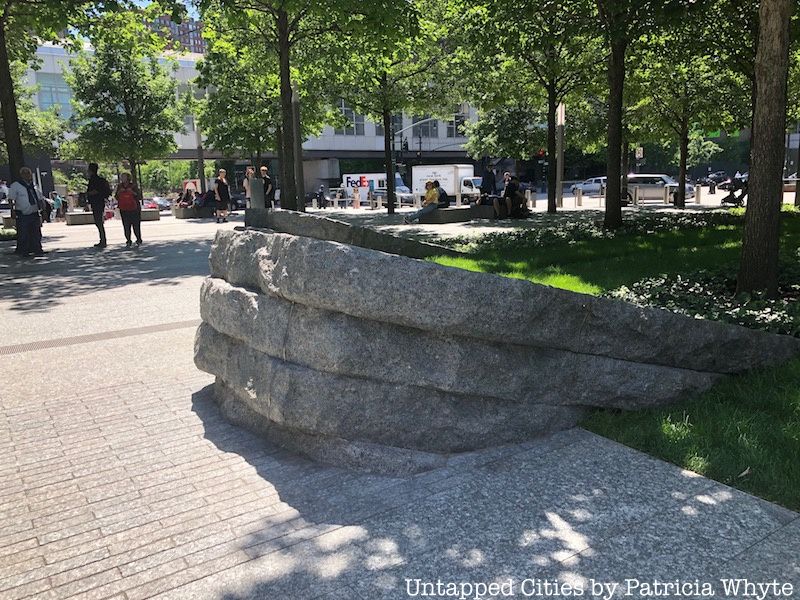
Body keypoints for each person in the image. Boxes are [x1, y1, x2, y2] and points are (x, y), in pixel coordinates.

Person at [8, 167, 45, 257]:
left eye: (28, 173)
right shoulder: (16, 185)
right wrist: (12, 210)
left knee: (36, 233)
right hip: (22, 214)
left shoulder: (34, 186)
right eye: (24, 173)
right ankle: (24, 251)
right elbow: (11, 199)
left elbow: (40, 198)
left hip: (34, 213)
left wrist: (43, 210)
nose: (27, 175)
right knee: (23, 233)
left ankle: (37, 249)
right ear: (21, 175)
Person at [86, 163, 111, 248]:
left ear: (91, 170)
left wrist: (88, 194)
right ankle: (103, 240)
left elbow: (95, 191)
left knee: (98, 222)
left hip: (96, 202)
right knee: (99, 222)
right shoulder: (101, 180)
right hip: (100, 202)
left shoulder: (93, 180)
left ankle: (103, 240)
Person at [115, 172, 143, 247]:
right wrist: (119, 192)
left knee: (136, 225)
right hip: (124, 209)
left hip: (134, 209)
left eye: (124, 177)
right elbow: (116, 197)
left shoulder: (133, 186)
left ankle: (138, 239)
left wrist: (132, 192)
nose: (122, 178)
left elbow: (139, 196)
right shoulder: (119, 186)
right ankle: (128, 240)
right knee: (126, 225)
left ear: (128, 178)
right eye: (122, 177)